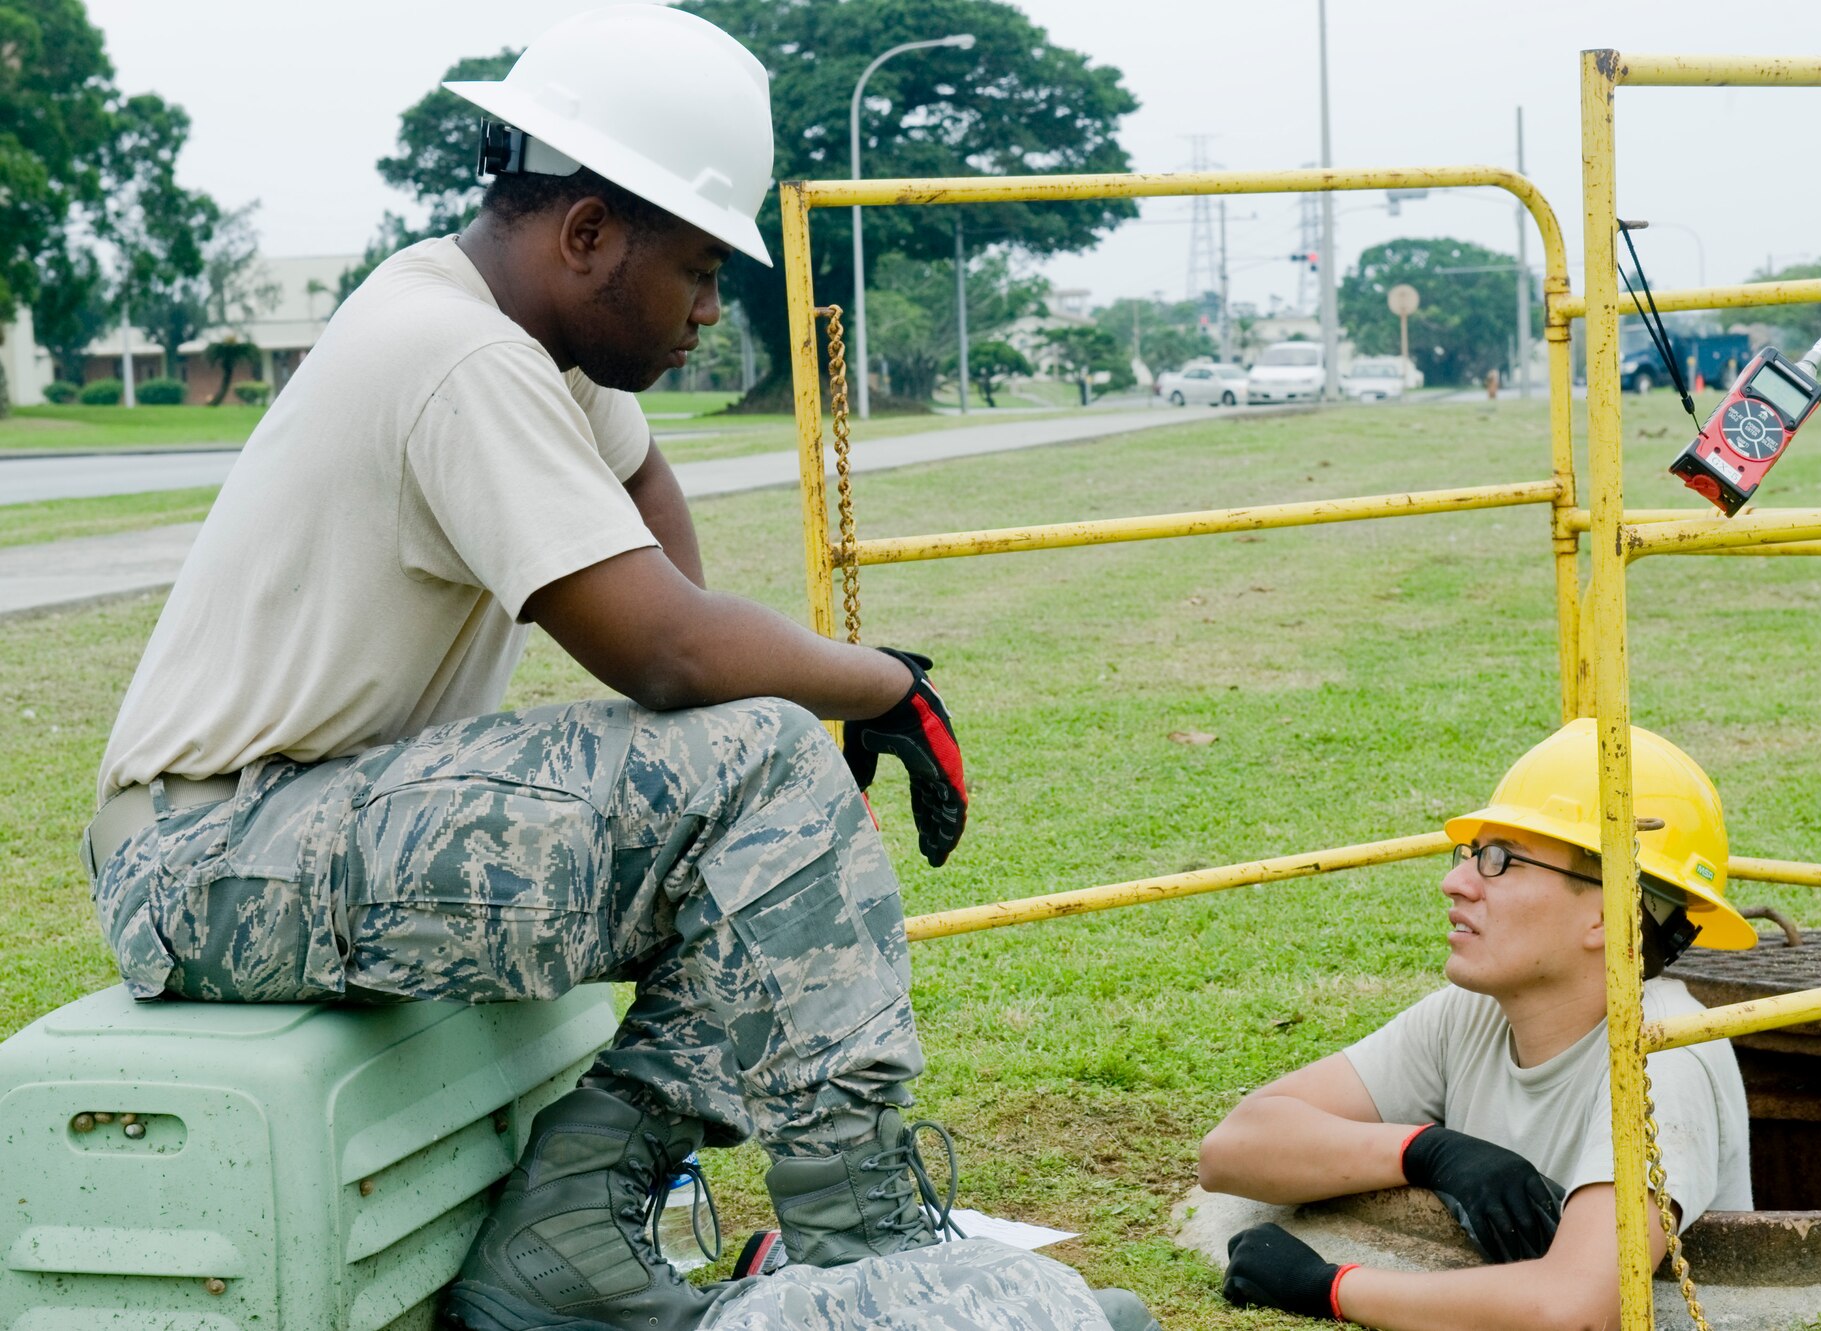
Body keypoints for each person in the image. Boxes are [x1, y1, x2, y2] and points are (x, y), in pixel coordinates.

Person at [79, 7, 1152, 1331]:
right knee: (755, 766)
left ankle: (570, 1233)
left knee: (754, 805)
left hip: (287, 826)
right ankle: (875, 1256)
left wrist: (755, 717)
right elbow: (663, 648)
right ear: (586, 233)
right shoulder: (455, 350)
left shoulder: (511, 326)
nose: (711, 307)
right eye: (700, 267)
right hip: (205, 855)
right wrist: (880, 680)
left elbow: (642, 486)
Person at [1198, 719, 1755, 1330]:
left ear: (1605, 913)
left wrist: (1330, 1288)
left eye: (1500, 861)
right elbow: (1233, 1149)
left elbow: (1578, 1308)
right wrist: (1429, 1151)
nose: (1455, 882)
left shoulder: (1665, 1050)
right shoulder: (1477, 1012)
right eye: (1468, 854)